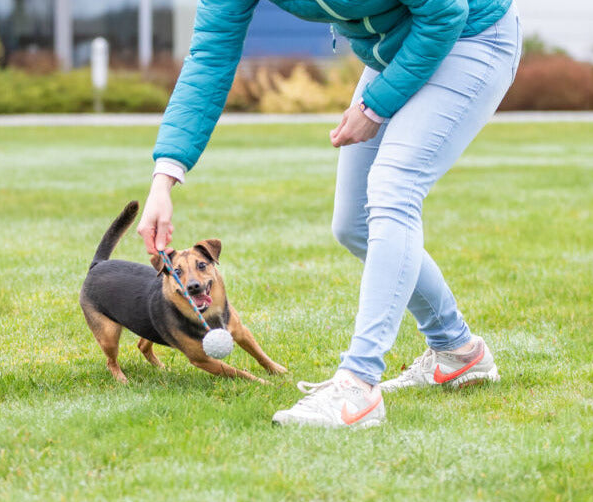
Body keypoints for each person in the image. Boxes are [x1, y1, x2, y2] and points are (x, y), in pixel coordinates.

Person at [138, 0, 523, 429]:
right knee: (353, 223)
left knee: (393, 188)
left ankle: (358, 383)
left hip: (469, 35)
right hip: (394, 49)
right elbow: (210, 54)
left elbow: (445, 14)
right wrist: (165, 177)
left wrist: (374, 106)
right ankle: (459, 352)